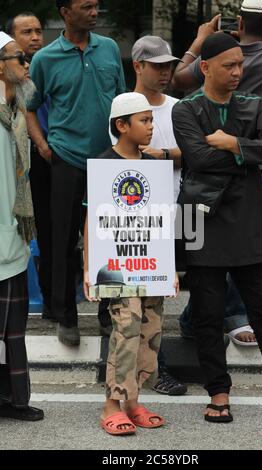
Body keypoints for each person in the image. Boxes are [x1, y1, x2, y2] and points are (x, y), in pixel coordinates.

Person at [172, 32, 262, 423]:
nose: (237, 72)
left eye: (241, 65)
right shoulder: (186, 109)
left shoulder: (256, 103)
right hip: (198, 217)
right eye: (230, 65)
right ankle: (218, 392)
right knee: (208, 313)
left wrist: (231, 144)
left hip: (250, 218)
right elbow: (197, 157)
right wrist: (247, 153)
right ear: (206, 68)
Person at [26, 0, 126, 346]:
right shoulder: (44, 59)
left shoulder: (110, 48)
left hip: (108, 159)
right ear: (65, 12)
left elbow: (121, 104)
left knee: (108, 240)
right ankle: (66, 315)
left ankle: (108, 313)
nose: (95, 12)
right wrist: (41, 145)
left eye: (97, 6)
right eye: (86, 7)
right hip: (66, 159)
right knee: (63, 241)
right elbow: (29, 107)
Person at [84, 92, 179, 435]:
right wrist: (88, 266)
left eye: (152, 119)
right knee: (126, 327)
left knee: (150, 330)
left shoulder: (153, 165)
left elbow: (161, 218)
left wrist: (169, 268)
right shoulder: (102, 164)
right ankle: (112, 403)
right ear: (121, 125)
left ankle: (133, 401)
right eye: (144, 120)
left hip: (151, 264)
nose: (151, 127)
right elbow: (92, 219)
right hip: (116, 266)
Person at [99, 35, 187, 396]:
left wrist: (159, 155)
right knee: (125, 318)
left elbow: (195, 153)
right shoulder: (110, 149)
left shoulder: (179, 109)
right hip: (121, 251)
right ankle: (114, 400)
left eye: (170, 65)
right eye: (158, 65)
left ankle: (138, 393)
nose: (166, 72)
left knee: (151, 319)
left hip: (161, 232)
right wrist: (96, 268)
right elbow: (99, 218)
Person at [0, 31, 43, 421]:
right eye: (18, 58)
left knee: (13, 330)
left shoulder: (14, 111)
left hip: (11, 234)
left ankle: (13, 400)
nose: (26, 64)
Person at [6, 12, 53, 321]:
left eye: (38, 30)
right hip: (19, 166)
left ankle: (51, 297)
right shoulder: (10, 83)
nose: (36, 36)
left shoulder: (48, 70)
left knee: (51, 231)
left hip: (52, 160)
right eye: (27, 31)